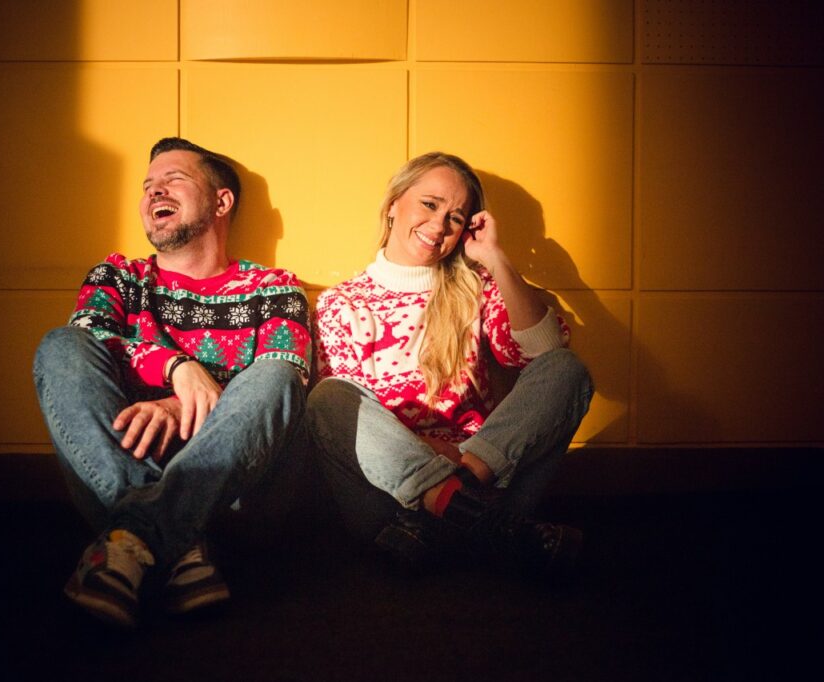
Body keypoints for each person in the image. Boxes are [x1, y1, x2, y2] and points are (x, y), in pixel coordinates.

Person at [33, 137, 312, 628]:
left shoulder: (272, 287)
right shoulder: (118, 276)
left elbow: (282, 376)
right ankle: (177, 543)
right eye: (148, 186)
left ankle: (130, 538)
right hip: (124, 463)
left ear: (221, 202)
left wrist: (176, 408)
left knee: (277, 375)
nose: (154, 192)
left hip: (235, 496)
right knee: (61, 345)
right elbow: (89, 336)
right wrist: (176, 368)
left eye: (173, 180)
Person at [308, 152, 593, 577]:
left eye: (455, 218)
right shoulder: (341, 304)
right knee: (328, 399)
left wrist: (494, 257)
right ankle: (483, 524)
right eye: (429, 204)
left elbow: (545, 350)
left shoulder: (475, 289)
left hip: (485, 480)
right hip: (390, 504)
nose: (439, 225)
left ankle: (461, 507)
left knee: (565, 370)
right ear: (393, 204)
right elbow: (350, 427)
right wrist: (436, 459)